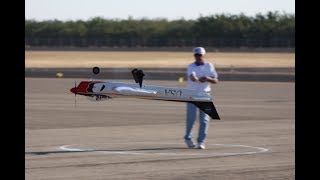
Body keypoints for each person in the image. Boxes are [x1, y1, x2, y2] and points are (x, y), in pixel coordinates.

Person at [184, 47, 219, 149]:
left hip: (205, 95)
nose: (198, 57)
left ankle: (201, 141)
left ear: (203, 55)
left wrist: (208, 78)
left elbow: (216, 80)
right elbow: (191, 76)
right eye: (196, 55)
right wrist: (194, 78)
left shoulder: (209, 66)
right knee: (191, 118)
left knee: (204, 120)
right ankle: (188, 138)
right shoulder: (191, 66)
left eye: (200, 55)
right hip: (192, 95)